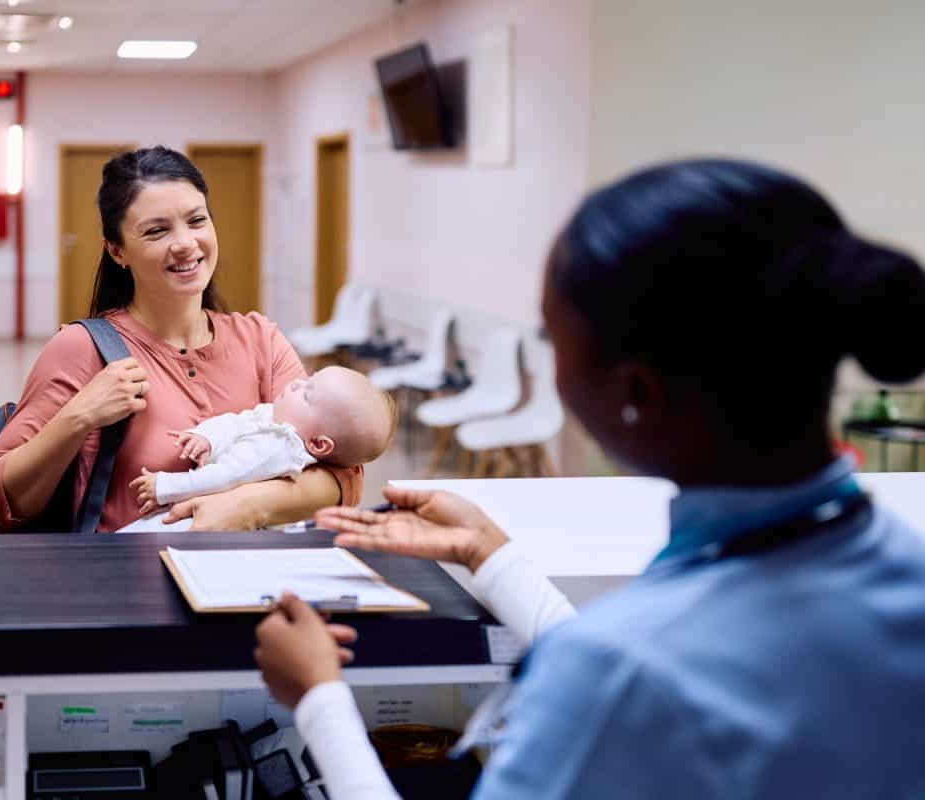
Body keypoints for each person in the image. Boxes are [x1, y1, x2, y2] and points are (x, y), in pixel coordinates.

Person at [253, 159, 925, 798]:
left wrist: (317, 698)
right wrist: (489, 552)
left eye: (551, 342)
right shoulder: (901, 575)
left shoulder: (622, 672)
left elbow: (626, 673)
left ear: (635, 390)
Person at [0, 146, 362, 533]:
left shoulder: (261, 341)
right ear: (117, 251)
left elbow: (342, 473)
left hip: (243, 585)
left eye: (197, 221)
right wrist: (78, 417)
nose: (185, 243)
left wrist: (242, 508)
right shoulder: (82, 349)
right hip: (127, 583)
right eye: (157, 231)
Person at [129, 366, 396, 518]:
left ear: (317, 444)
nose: (295, 385)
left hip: (199, 519)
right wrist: (208, 438)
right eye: (306, 380)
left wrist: (165, 486)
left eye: (307, 395)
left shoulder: (279, 448)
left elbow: (225, 476)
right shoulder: (276, 418)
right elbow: (237, 422)